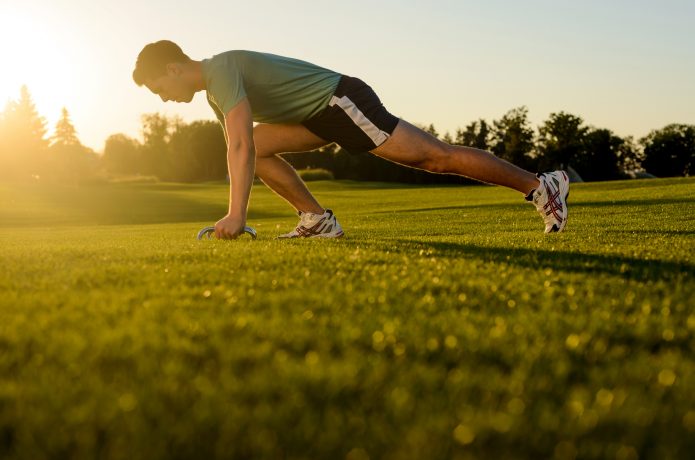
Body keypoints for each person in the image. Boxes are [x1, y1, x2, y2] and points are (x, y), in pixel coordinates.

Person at [132, 40, 569, 239]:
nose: (164, 99)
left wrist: (234, 214)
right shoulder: (215, 91)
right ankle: (317, 219)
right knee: (257, 145)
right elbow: (243, 145)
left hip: (339, 101)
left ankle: (540, 186)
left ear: (173, 68)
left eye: (158, 88)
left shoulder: (221, 70)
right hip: (318, 114)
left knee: (435, 158)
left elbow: (240, 147)